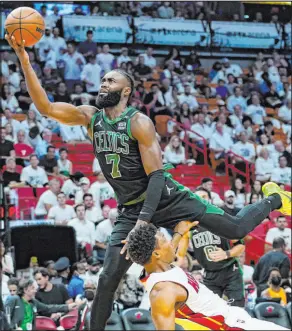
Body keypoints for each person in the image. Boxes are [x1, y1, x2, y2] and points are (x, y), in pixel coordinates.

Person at [7, 34, 291, 330]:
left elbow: (156, 176)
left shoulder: (139, 122)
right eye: (102, 80)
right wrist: (25, 60)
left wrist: (144, 222)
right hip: (131, 209)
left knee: (236, 228)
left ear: (126, 91)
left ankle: (275, 198)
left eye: (110, 81)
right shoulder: (90, 118)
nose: (103, 84)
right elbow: (46, 108)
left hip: (168, 198)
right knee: (107, 279)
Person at [127, 222, 288, 330]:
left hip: (234, 317)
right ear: (156, 252)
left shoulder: (162, 266)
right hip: (230, 326)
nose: (171, 243)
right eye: (165, 240)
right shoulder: (162, 292)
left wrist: (179, 232)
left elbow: (167, 251)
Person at [178, 190, 245, 307]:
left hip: (230, 271)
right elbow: (180, 256)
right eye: (197, 197)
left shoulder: (220, 218)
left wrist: (226, 254)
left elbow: (241, 246)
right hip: (209, 274)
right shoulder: (189, 226)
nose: (201, 199)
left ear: (210, 200)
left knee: (237, 309)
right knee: (211, 310)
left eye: (204, 196)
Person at [5, 279, 77, 330]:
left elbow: (48, 308)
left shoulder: (33, 302)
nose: (35, 290)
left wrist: (67, 307)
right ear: (25, 290)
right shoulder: (14, 299)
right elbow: (5, 317)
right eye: (33, 288)